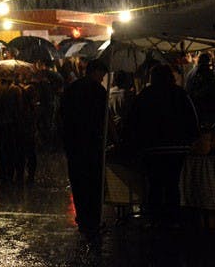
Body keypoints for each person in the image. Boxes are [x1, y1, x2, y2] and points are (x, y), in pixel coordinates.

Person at [125, 64, 199, 226]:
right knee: (172, 184)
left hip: (152, 148)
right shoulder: (180, 94)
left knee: (155, 184)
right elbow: (192, 119)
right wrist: (191, 139)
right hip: (177, 148)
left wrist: (135, 144)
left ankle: (156, 219)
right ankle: (173, 218)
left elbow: (133, 122)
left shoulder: (145, 95)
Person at [61, 59, 109, 238]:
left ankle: (83, 218)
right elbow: (105, 118)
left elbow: (63, 115)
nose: (102, 78)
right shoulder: (98, 90)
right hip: (92, 143)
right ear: (95, 71)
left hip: (74, 144)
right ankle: (93, 220)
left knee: (79, 182)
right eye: (102, 75)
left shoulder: (71, 89)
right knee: (94, 183)